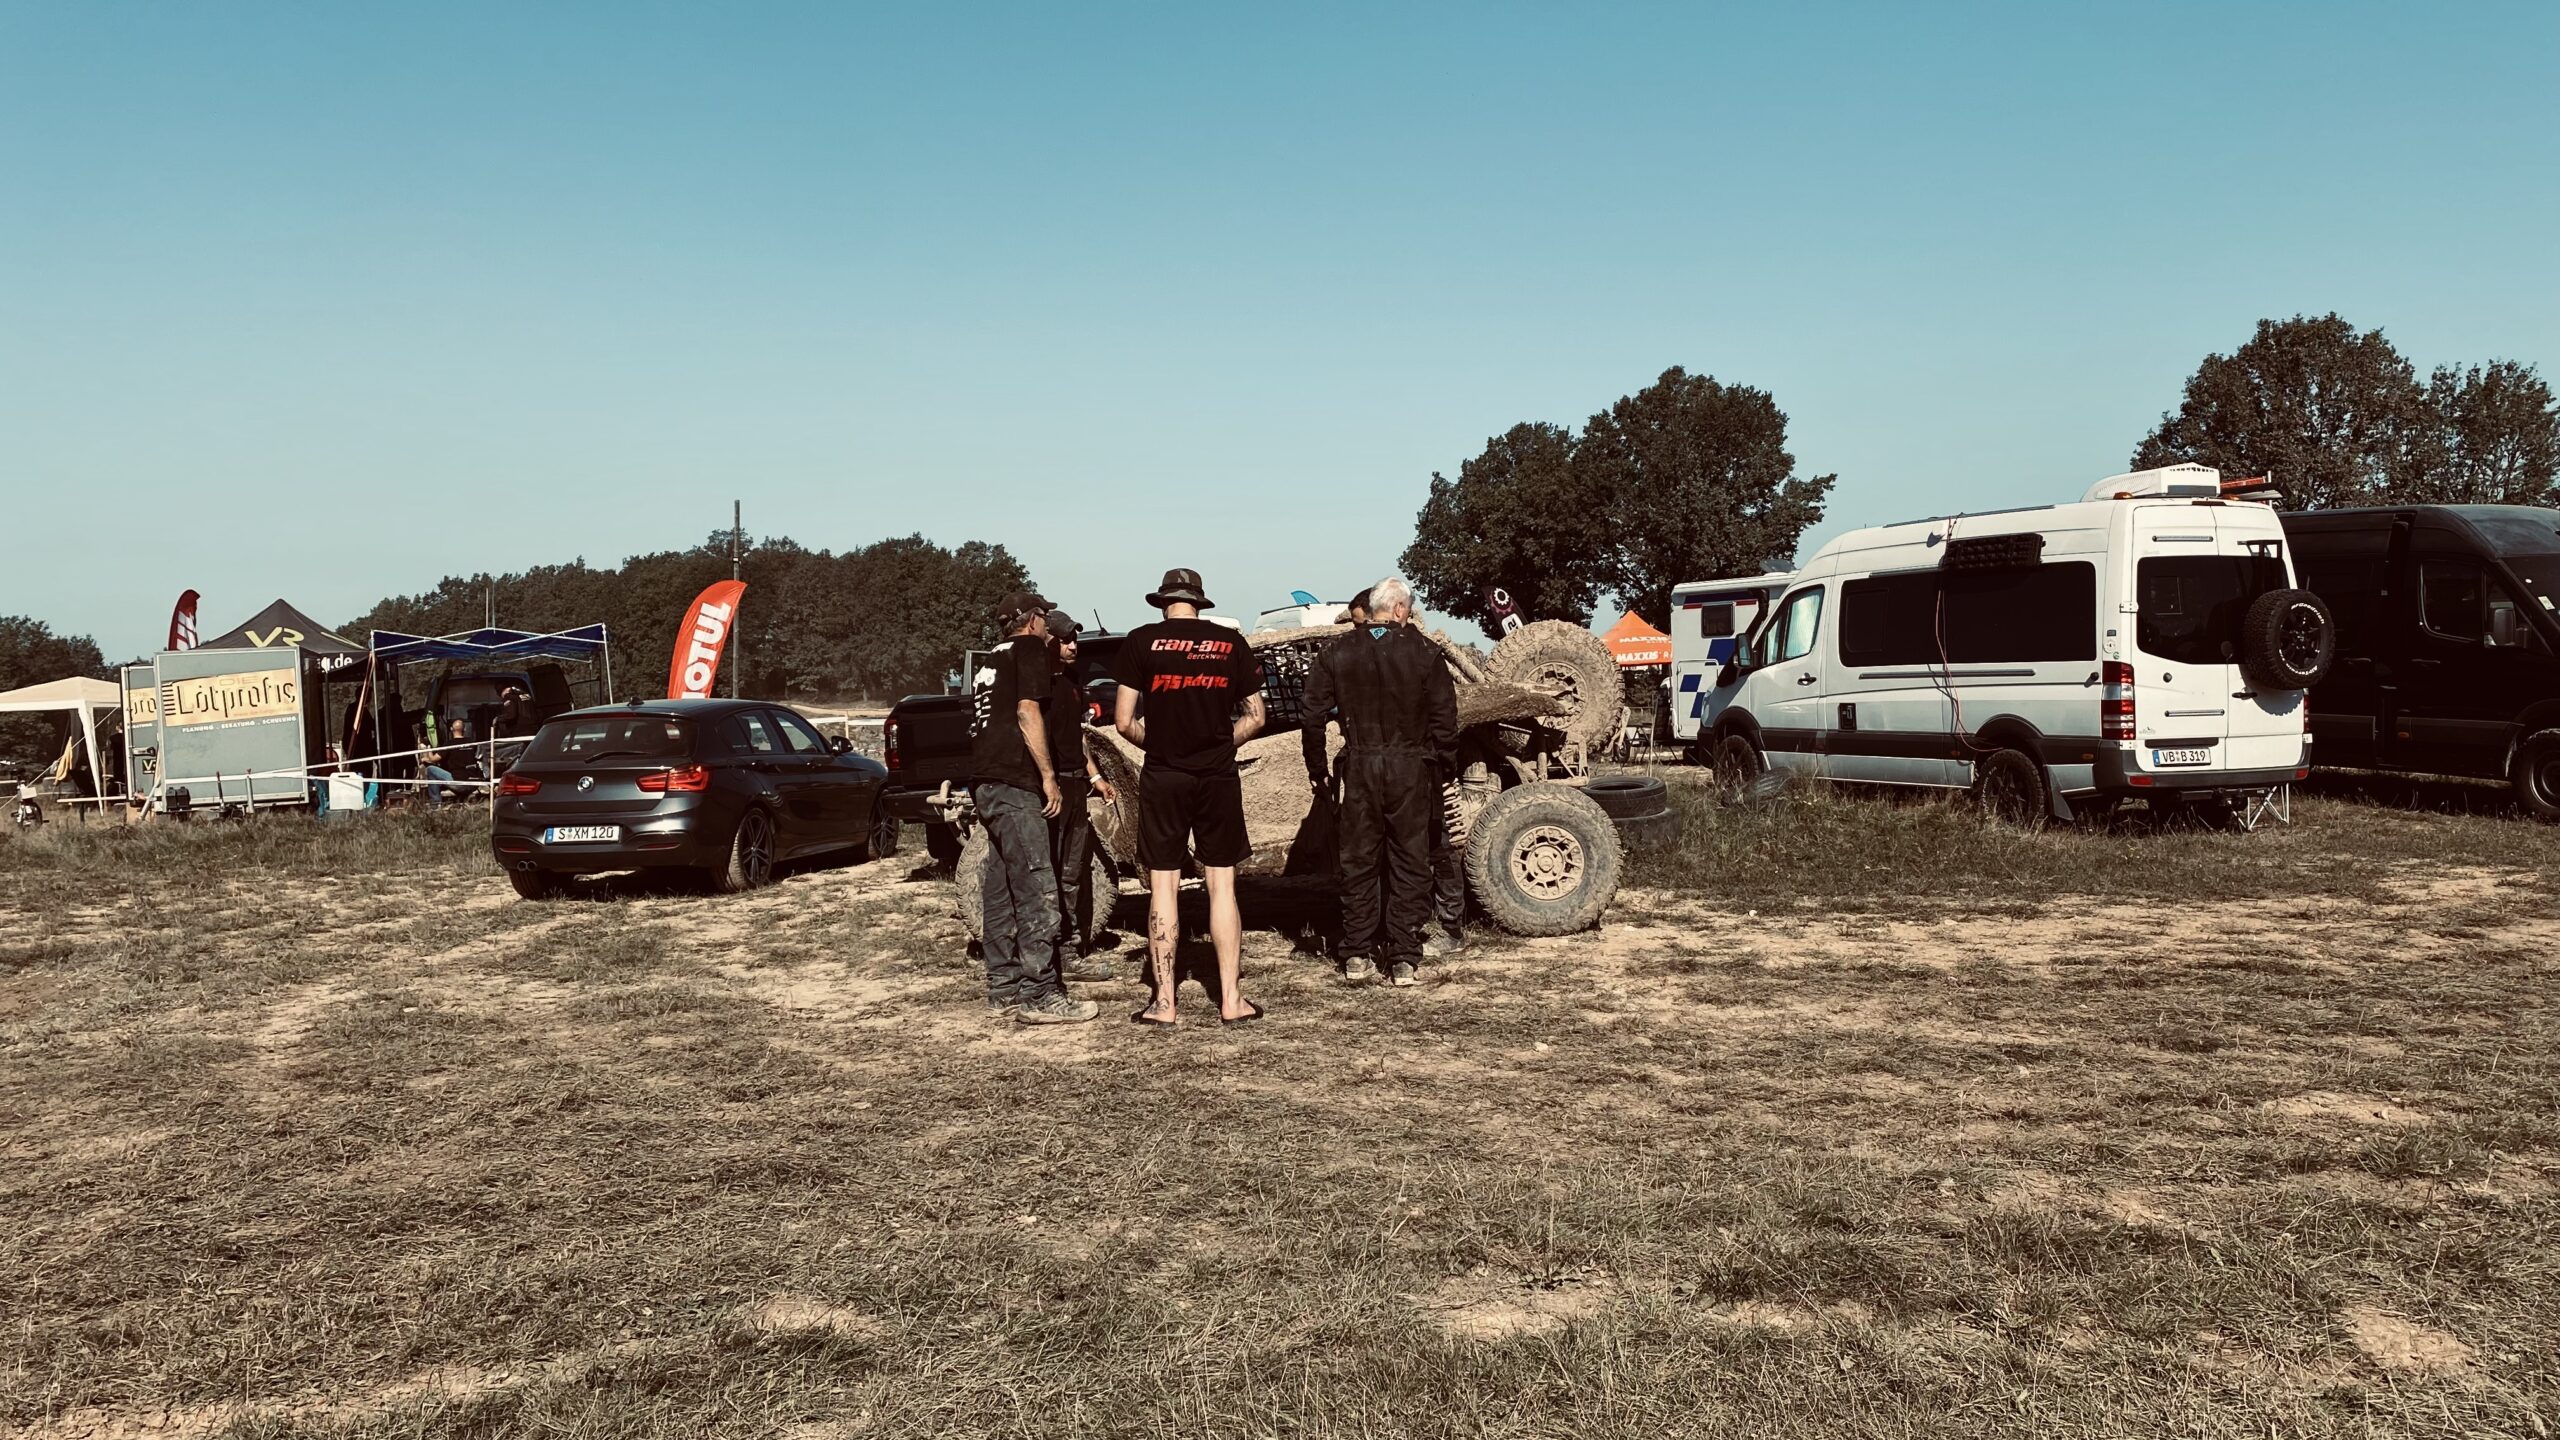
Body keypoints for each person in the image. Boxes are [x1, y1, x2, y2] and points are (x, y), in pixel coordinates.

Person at [1112, 568, 1266, 1026]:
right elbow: (1257, 716)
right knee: (1222, 884)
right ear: (1199, 603)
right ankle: (1232, 1000)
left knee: (1164, 885)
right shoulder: (1231, 643)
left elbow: (1123, 722)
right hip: (1217, 775)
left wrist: (1162, 746)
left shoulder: (1140, 642)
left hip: (1164, 775)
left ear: (1163, 603)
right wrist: (1219, 745)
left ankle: (1164, 1003)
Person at [1301, 576, 1457, 987]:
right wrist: (1446, 768)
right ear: (1400, 609)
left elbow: (1312, 715)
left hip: (1360, 764)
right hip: (1411, 767)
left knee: (1359, 861)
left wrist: (1317, 768)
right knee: (1410, 860)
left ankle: (1356, 953)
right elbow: (1445, 721)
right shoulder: (1426, 652)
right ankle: (1403, 958)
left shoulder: (1337, 651)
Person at [971, 592, 1099, 1025]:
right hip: (1016, 784)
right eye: (1044, 616)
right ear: (1032, 620)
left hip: (987, 782)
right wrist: (1047, 776)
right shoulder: (1027, 648)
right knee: (1038, 888)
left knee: (1001, 889)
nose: (1047, 625)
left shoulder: (990, 659)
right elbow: (1028, 712)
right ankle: (1040, 994)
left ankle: (1003, 987)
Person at [1043, 609, 1118, 976]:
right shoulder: (1037, 684)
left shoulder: (1072, 681)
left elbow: (1078, 736)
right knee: (1051, 870)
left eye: (1074, 639)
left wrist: (1096, 778)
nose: (1073, 646)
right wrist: (1047, 782)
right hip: (1052, 787)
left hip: (1076, 784)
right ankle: (1051, 951)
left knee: (1073, 870)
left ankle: (1071, 949)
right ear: (1048, 641)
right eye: (1065, 640)